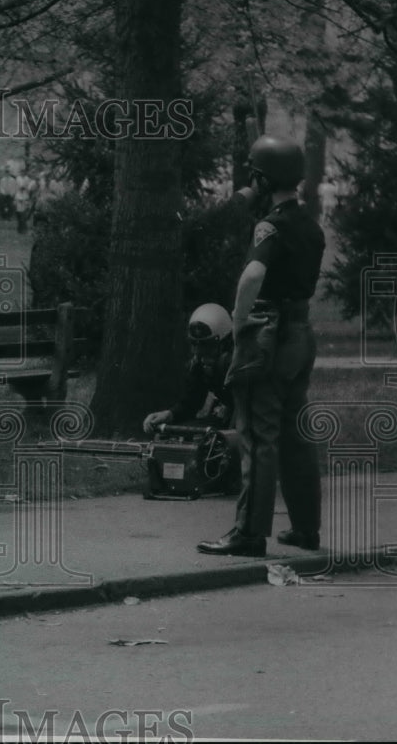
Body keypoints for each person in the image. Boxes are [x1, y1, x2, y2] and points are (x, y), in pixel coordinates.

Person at [197, 135, 325, 558]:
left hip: (269, 335)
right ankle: (305, 529)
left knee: (257, 434)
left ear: (263, 177)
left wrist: (237, 322)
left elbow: (253, 275)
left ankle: (249, 533)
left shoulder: (271, 224)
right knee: (293, 434)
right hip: (301, 333)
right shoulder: (310, 224)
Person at [143, 303, 235, 434]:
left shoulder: (242, 366)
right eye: (194, 344)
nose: (198, 352)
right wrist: (169, 415)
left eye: (207, 346)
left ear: (224, 344)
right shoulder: (199, 366)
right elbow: (191, 403)